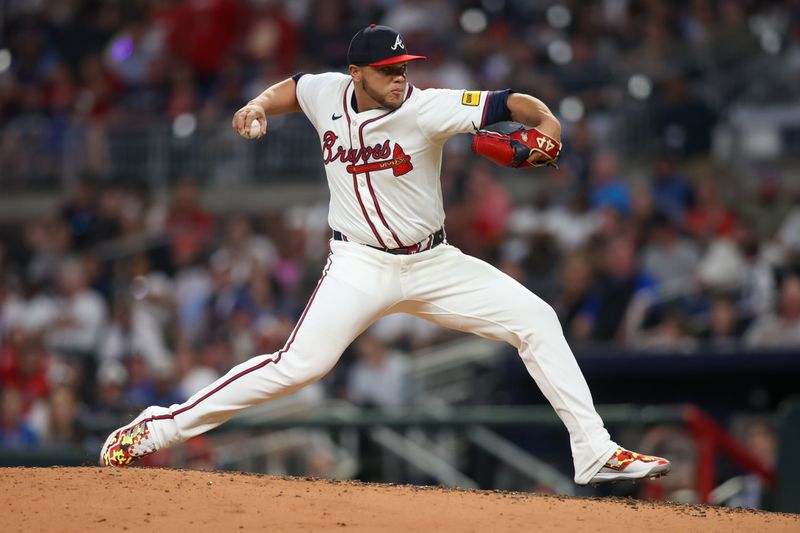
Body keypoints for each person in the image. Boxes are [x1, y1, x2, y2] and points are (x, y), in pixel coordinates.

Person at [100, 24, 669, 486]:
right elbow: (294, 88)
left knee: (537, 320)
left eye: (405, 67)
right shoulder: (328, 92)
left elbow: (508, 102)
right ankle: (159, 427)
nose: (401, 77)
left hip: (433, 262)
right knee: (302, 366)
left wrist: (547, 122)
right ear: (357, 74)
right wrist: (256, 105)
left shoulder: (427, 108)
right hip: (360, 264)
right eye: (388, 70)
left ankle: (594, 452)